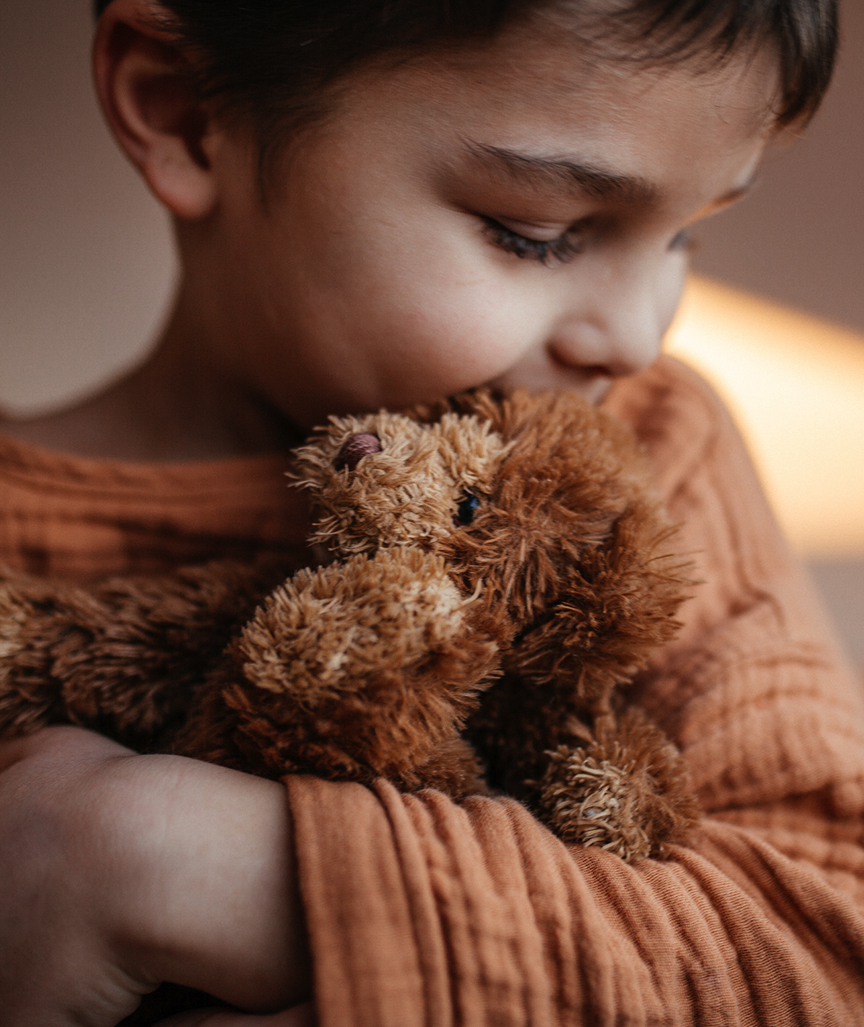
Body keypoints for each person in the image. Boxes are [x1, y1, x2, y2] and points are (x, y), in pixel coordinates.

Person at [1, 0, 862, 1024]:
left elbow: (823, 932)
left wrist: (174, 861)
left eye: (685, 238)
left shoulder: (652, 453)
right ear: (186, 112)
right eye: (534, 235)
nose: (636, 336)